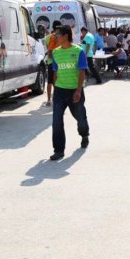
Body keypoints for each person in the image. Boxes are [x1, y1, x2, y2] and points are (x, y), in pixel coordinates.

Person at [49, 24, 90, 161]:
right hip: (60, 91)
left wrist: (78, 90)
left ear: (66, 36)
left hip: (74, 91)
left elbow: (82, 71)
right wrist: (55, 89)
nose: (55, 36)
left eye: (58, 34)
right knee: (56, 121)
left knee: (80, 117)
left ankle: (84, 134)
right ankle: (58, 150)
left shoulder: (78, 51)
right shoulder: (56, 52)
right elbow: (55, 72)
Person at [43, 20, 62, 106]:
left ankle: (48, 100)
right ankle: (57, 98)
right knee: (57, 81)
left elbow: (48, 49)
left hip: (50, 61)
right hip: (60, 61)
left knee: (50, 81)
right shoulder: (60, 36)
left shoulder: (48, 37)